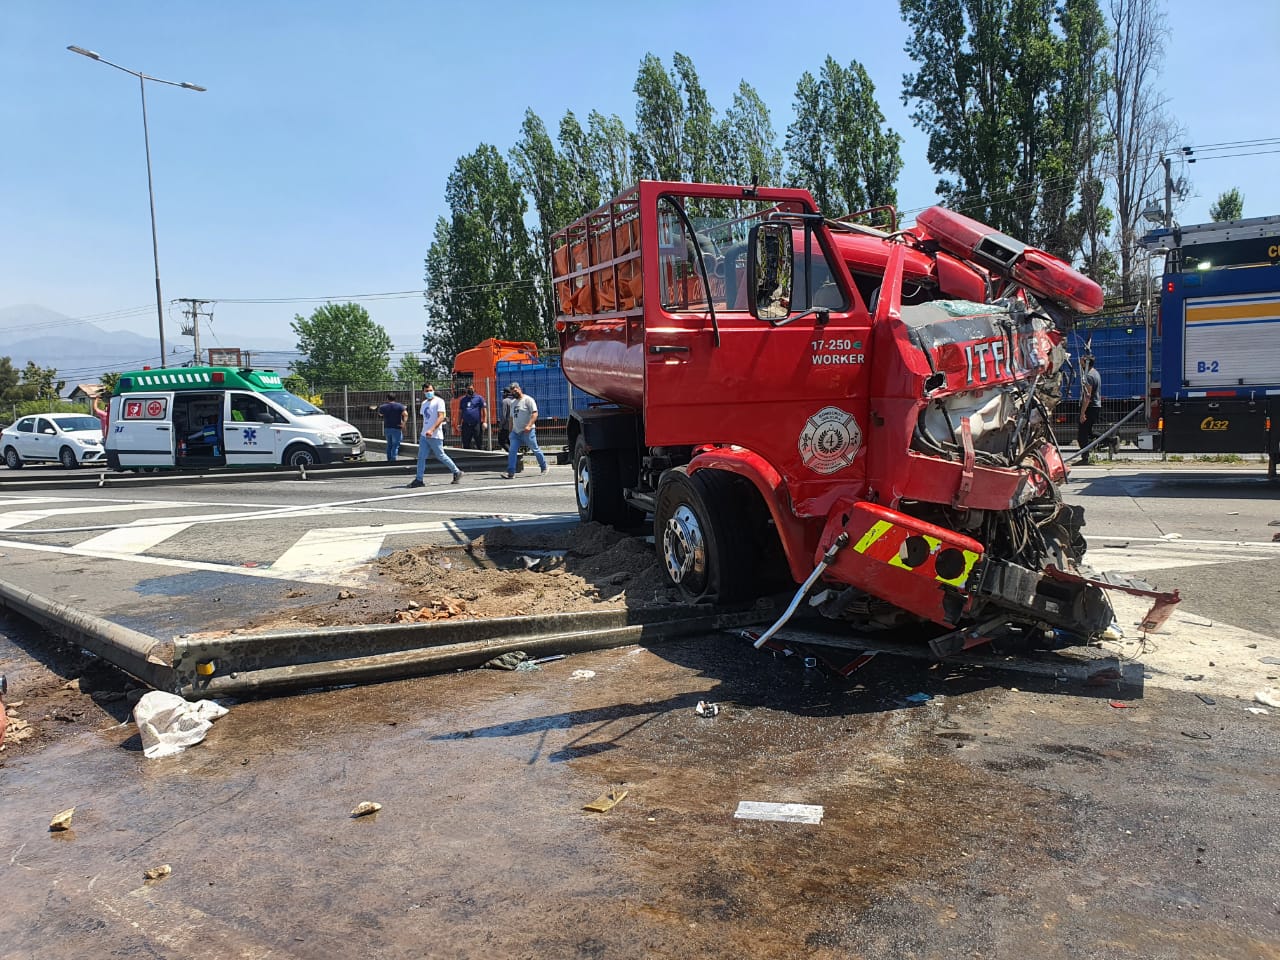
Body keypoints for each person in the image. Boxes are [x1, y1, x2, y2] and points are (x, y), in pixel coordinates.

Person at [411, 383, 462, 487]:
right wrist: (426, 430)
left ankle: (456, 471)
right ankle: (419, 479)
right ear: (423, 392)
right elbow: (426, 418)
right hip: (424, 434)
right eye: (426, 391)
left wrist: (432, 429)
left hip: (435, 434)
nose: (429, 392)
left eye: (430, 390)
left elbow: (441, 417)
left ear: (433, 390)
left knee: (441, 455)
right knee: (421, 457)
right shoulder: (424, 403)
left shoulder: (439, 401)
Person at [500, 381, 547, 479]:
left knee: (535, 449)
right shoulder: (513, 403)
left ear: (519, 389)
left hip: (527, 431)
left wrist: (529, 425)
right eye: (512, 392)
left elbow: (535, 414)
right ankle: (511, 472)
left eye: (515, 391)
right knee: (512, 451)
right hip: (516, 432)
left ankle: (544, 466)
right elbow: (512, 418)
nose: (514, 393)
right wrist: (510, 431)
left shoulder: (528, 400)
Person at [1077, 352, 1102, 465]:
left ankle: (1085, 457)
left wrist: (1082, 413)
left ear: (1086, 363)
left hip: (1090, 407)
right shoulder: (1095, 373)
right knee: (1089, 432)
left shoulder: (1088, 377)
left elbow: (1087, 396)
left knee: (1082, 435)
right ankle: (1110, 440)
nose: (1080, 362)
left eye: (1082, 360)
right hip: (1096, 405)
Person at [375, 393, 408, 461]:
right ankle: (393, 461)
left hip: (387, 428)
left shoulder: (383, 407)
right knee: (395, 446)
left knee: (389, 445)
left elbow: (380, 414)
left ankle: (389, 460)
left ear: (387, 398)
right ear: (395, 398)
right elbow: (405, 414)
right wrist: (404, 423)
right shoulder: (400, 406)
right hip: (397, 428)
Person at [459, 385, 486, 450]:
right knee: (466, 443)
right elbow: (460, 413)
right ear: (466, 389)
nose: (470, 390)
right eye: (468, 388)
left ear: (474, 389)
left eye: (471, 388)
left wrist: (485, 422)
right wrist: (459, 423)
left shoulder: (479, 398)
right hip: (466, 425)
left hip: (476, 424)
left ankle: (480, 457)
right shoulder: (463, 400)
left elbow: (484, 411)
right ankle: (468, 458)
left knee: (479, 442)